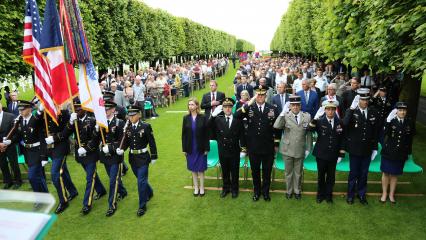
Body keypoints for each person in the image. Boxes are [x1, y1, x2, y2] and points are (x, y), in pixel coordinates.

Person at [235, 86, 280, 201]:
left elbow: (277, 128)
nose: (260, 97)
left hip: (268, 146)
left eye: (262, 95)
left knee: (267, 171)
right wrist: (248, 103)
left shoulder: (272, 108)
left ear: (266, 95)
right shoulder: (249, 108)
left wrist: (276, 144)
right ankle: (256, 192)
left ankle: (265, 192)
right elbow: (236, 115)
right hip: (253, 146)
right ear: (255, 95)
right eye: (258, 95)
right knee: (255, 171)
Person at [65, 99, 107, 215]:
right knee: (92, 175)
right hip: (80, 155)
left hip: (91, 154)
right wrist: (70, 123)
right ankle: (101, 190)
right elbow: (65, 134)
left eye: (79, 108)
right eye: (75, 108)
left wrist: (86, 149)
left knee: (90, 178)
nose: (77, 110)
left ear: (84, 108)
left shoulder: (92, 120)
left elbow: (96, 139)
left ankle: (86, 204)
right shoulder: (75, 120)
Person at [116, 105, 157, 217]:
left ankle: (142, 206)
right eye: (129, 115)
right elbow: (126, 142)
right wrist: (121, 149)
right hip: (133, 159)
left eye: (133, 115)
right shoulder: (128, 128)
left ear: (139, 115)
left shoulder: (146, 126)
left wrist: (154, 156)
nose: (130, 117)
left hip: (143, 157)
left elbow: (152, 142)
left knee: (140, 182)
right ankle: (149, 191)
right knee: (141, 180)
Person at [343, 88, 379, 205]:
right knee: (353, 173)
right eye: (363, 100)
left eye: (367, 100)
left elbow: (375, 132)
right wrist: (351, 109)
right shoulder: (352, 111)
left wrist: (374, 148)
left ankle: (362, 194)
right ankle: (350, 195)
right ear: (358, 100)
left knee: (364, 173)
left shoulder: (373, 112)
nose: (365, 102)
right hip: (354, 149)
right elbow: (344, 124)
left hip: (367, 149)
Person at [3, 100, 48, 193]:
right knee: (39, 176)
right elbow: (20, 136)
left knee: (32, 177)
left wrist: (44, 156)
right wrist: (10, 141)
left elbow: (42, 139)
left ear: (29, 109)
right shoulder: (21, 120)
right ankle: (44, 195)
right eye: (19, 110)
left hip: (37, 151)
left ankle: (39, 198)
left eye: (23, 110)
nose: (20, 112)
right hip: (27, 152)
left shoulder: (37, 120)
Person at [40, 105, 78, 214]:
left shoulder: (64, 113)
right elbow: (40, 132)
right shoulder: (43, 113)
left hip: (61, 147)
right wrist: (44, 155)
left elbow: (68, 131)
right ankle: (73, 191)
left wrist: (55, 137)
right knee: (63, 171)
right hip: (49, 148)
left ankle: (63, 201)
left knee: (55, 173)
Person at [274, 95, 312, 200]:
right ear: (290, 106)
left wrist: (308, 148)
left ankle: (297, 191)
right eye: (293, 105)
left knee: (298, 172)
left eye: (297, 105)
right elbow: (276, 126)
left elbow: (309, 133)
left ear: (300, 106)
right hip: (287, 149)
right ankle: (289, 191)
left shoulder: (307, 116)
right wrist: (282, 113)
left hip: (300, 148)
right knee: (288, 172)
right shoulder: (286, 115)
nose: (295, 107)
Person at [209, 98, 246, 198]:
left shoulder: (238, 120)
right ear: (223, 109)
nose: (228, 109)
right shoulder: (218, 119)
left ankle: (234, 189)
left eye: (229, 107)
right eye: (225, 107)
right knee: (225, 171)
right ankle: (225, 188)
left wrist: (243, 149)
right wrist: (212, 116)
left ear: (232, 108)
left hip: (234, 150)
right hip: (223, 150)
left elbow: (242, 135)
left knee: (235, 171)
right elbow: (207, 127)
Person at [308, 100, 345, 203]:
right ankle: (320, 195)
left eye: (332, 109)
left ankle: (329, 195)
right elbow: (309, 129)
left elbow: (342, 138)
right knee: (321, 176)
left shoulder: (339, 122)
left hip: (333, 154)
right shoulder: (319, 121)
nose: (330, 112)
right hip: (321, 154)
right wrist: (315, 118)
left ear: (335, 110)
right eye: (328, 109)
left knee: (331, 177)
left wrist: (341, 153)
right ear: (325, 110)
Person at [380, 102, 413, 204]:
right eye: (400, 110)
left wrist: (408, 153)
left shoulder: (409, 123)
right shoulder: (391, 121)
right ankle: (384, 193)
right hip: (389, 152)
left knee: (395, 175)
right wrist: (388, 121)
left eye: (404, 110)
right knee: (386, 173)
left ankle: (391, 194)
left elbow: (409, 139)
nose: (402, 112)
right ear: (396, 111)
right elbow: (384, 133)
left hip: (400, 153)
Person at [99, 101, 127, 217]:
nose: (105, 112)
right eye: (104, 109)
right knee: (113, 178)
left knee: (112, 181)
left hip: (115, 156)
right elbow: (97, 138)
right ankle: (123, 191)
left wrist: (110, 147)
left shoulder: (119, 123)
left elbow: (122, 140)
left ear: (112, 110)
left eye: (107, 109)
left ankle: (112, 205)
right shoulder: (101, 123)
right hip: (105, 157)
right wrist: (95, 130)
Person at [181, 98, 209, 197]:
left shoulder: (203, 117)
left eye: (192, 104)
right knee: (193, 169)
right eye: (189, 104)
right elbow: (183, 134)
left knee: (201, 169)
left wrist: (206, 148)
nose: (190, 106)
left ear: (197, 106)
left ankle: (202, 187)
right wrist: (184, 149)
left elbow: (206, 134)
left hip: (200, 147)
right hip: (190, 147)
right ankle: (196, 188)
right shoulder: (186, 118)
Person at [0, 102, 22, 189]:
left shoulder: (10, 116)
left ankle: (18, 181)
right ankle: (8, 181)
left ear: (1, 105)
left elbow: (17, 132)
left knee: (14, 163)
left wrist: (10, 141)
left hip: (10, 145)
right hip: (0, 146)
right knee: (2, 164)